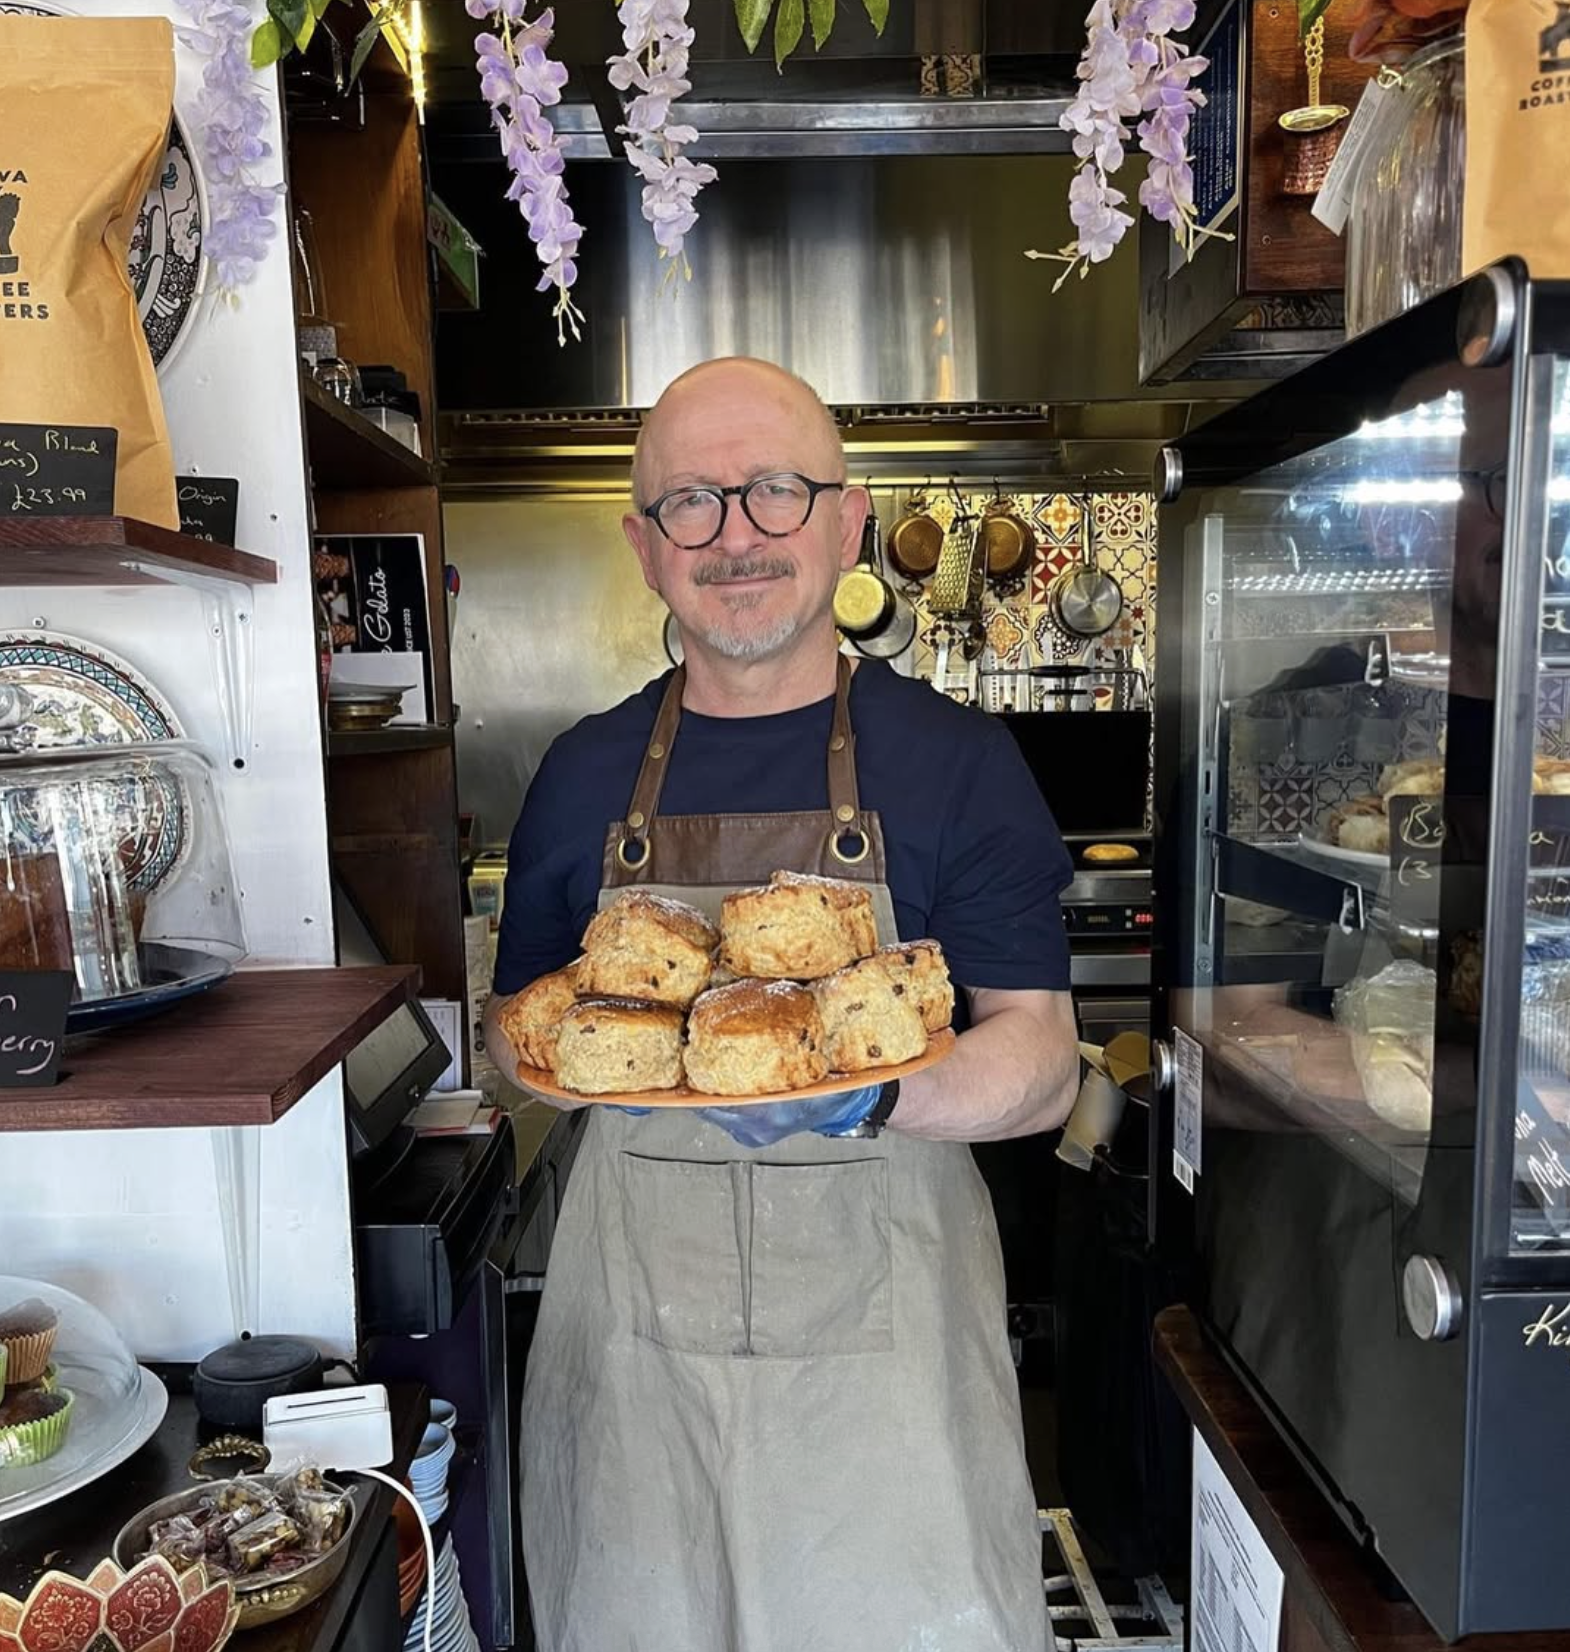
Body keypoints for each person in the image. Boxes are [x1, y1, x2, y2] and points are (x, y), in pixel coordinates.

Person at [484, 356, 1081, 1652]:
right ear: (645, 546)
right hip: (635, 1377)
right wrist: (583, 1062)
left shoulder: (958, 766)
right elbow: (519, 1028)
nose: (735, 534)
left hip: (887, 1392)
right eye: (691, 502)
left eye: (773, 492)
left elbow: (1040, 1062)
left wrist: (873, 1090)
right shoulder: (580, 773)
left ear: (845, 519)